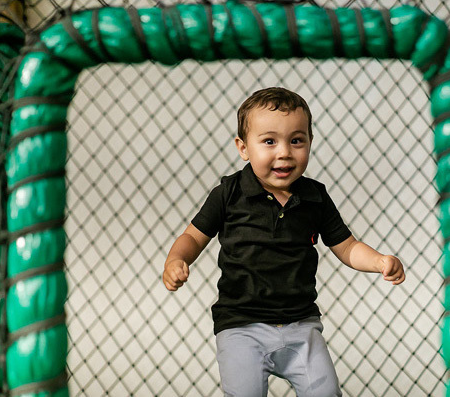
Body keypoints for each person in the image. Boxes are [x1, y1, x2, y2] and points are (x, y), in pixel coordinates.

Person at [161, 87, 405, 396]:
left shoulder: (315, 197)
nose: (285, 152)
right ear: (243, 148)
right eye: (269, 141)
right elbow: (192, 237)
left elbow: (347, 246)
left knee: (326, 393)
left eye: (296, 140)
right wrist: (176, 259)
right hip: (241, 326)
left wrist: (378, 261)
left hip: (301, 325)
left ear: (310, 142)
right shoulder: (229, 194)